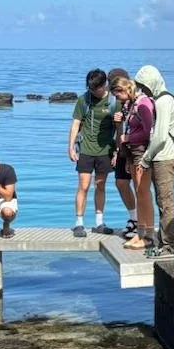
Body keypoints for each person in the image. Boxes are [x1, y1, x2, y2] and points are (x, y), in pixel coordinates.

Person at [134, 65, 174, 260]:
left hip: (164, 157)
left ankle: (169, 245)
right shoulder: (163, 99)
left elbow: (160, 136)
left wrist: (145, 159)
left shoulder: (163, 101)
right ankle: (165, 243)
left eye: (144, 86)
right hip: (162, 156)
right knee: (162, 200)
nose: (143, 91)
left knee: (165, 202)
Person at [68, 69, 117, 238]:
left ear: (104, 85)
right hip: (86, 149)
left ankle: (99, 222)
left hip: (105, 150)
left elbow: (119, 128)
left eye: (95, 88)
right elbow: (75, 124)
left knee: (100, 185)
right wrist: (70, 147)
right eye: (90, 87)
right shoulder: (84, 99)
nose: (92, 91)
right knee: (83, 185)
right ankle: (79, 223)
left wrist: (117, 150)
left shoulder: (113, 101)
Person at [111, 74, 155, 250]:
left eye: (117, 95)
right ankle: (141, 232)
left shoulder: (143, 104)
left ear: (124, 90)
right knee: (139, 192)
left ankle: (149, 234)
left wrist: (128, 137)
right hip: (132, 151)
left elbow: (148, 132)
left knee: (143, 193)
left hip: (141, 151)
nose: (117, 99)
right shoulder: (131, 104)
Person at [108, 66, 137, 239]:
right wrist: (117, 151)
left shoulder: (136, 98)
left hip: (137, 148)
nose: (115, 93)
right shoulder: (117, 101)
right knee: (121, 183)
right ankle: (134, 217)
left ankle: (143, 223)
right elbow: (118, 128)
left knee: (140, 186)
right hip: (122, 148)